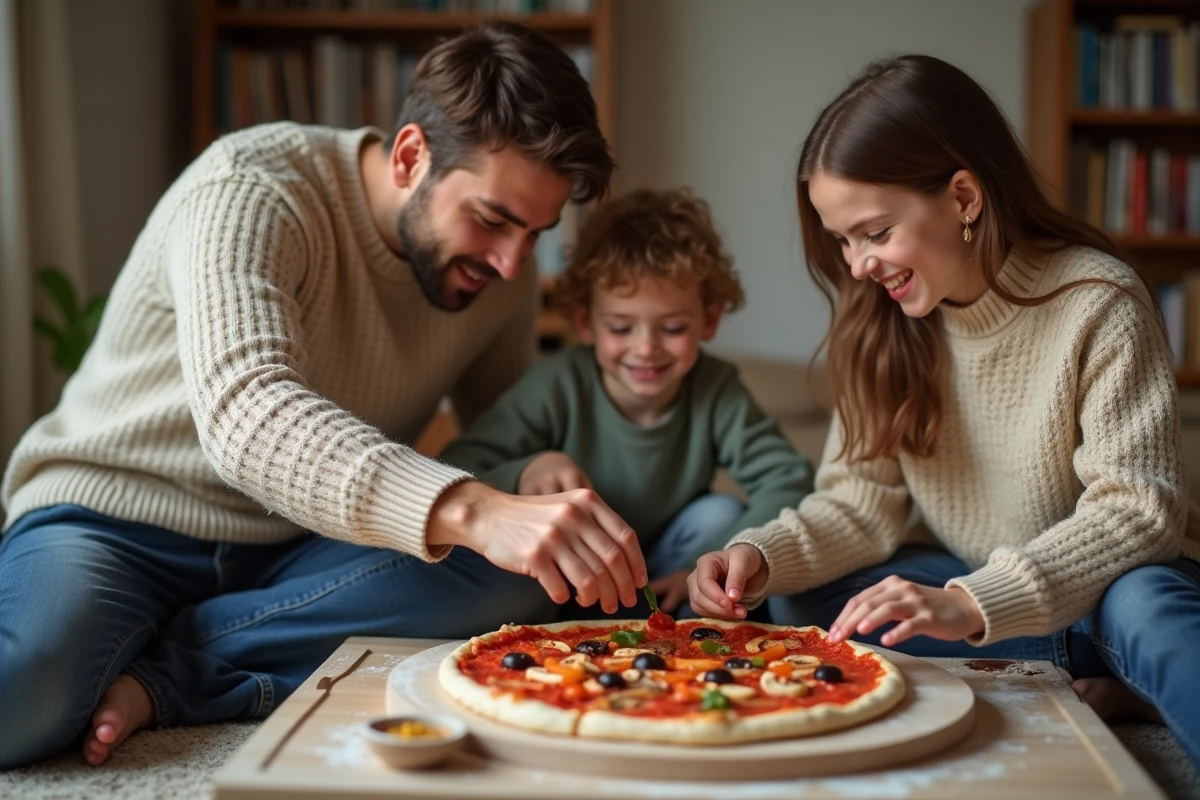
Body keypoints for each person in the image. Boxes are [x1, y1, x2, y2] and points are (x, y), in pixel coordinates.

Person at [0, 22, 645, 770]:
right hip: (114, 518)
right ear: (411, 156)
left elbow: (501, 429)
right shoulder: (252, 187)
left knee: (531, 576)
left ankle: (167, 675)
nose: (511, 262)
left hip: (299, 548)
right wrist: (474, 509)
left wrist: (536, 468)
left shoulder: (501, 271)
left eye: (535, 233)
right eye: (493, 220)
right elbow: (249, 416)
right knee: (25, 701)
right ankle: (184, 642)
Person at [686, 55, 1200, 766]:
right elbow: (858, 506)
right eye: (840, 240)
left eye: (873, 232)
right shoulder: (879, 326)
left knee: (1152, 614)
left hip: (1106, 593)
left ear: (963, 197)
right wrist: (759, 556)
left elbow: (1137, 512)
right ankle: (1098, 680)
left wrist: (971, 605)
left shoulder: (1098, 301)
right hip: (985, 589)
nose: (857, 265)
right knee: (806, 602)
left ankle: (1115, 670)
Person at [441, 187, 814, 614]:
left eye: (671, 328)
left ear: (708, 320)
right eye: (621, 328)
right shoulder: (557, 384)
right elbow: (457, 468)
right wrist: (527, 470)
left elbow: (788, 479)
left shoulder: (715, 388)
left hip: (669, 580)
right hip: (573, 579)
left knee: (718, 513)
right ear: (586, 323)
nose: (646, 349)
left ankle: (692, 645)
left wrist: (708, 560)